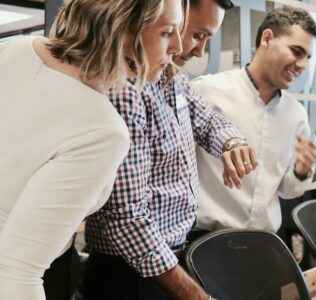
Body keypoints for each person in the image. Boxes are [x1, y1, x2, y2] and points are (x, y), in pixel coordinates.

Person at [0, 0, 181, 298]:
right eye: (167, 32)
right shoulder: (103, 130)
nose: (176, 46)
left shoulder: (16, 48)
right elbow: (16, 271)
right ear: (122, 28)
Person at [81, 1, 251, 300]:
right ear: (173, 15)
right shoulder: (125, 91)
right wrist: (195, 295)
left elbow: (208, 120)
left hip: (169, 258)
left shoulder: (171, 79)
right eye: (198, 35)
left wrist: (231, 142)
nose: (199, 51)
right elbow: (127, 219)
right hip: (130, 274)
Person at [188, 6, 316, 239]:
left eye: (307, 57)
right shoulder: (206, 91)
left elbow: (289, 190)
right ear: (267, 38)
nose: (302, 65)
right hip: (206, 240)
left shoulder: (296, 114)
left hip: (265, 243)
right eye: (296, 51)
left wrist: (301, 171)